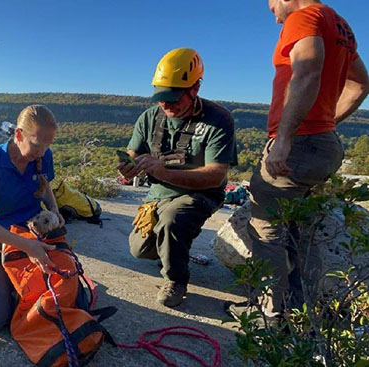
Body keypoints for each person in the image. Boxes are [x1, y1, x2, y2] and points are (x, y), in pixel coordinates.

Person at [246, 0, 368, 317]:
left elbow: (308, 72)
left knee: (266, 231)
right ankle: (304, 311)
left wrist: (285, 139)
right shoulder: (341, 25)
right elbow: (361, 85)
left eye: (272, 6)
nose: (274, 17)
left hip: (297, 145)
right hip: (324, 145)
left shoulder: (304, 17)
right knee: (302, 231)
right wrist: (326, 124)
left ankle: (270, 316)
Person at [119, 48, 238, 308]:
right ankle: (171, 249)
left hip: (200, 194)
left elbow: (216, 175)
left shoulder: (218, 120)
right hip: (159, 194)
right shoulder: (150, 118)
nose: (166, 104)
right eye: (161, 97)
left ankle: (176, 280)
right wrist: (129, 166)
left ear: (194, 89)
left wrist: (163, 171)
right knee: (139, 250)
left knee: (174, 220)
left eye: (173, 97)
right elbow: (133, 151)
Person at [0, 105, 69, 331]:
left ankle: (13, 285)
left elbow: (44, 186)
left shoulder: (44, 155)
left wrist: (54, 209)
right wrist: (27, 246)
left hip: (34, 231)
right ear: (18, 135)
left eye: (48, 145)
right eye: (36, 145)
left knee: (65, 298)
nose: (42, 152)